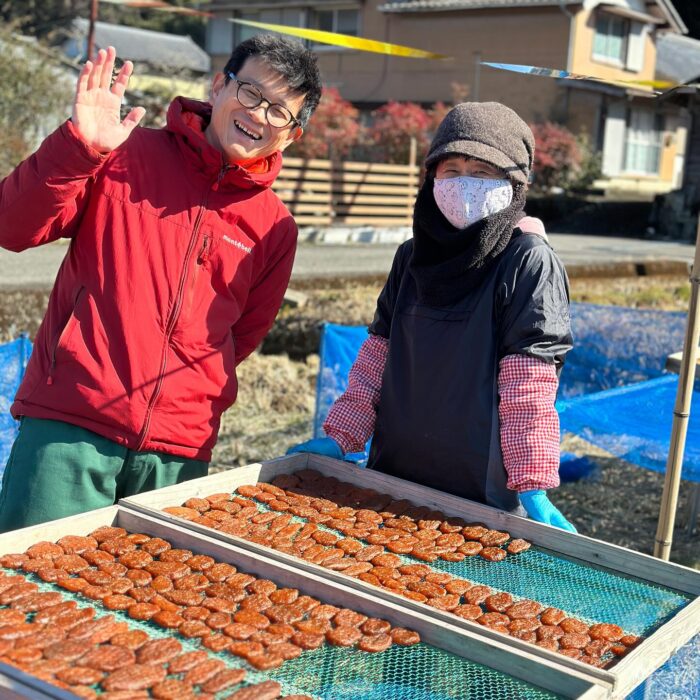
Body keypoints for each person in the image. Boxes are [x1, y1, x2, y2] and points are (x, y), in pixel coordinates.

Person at [0, 35, 322, 531]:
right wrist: (77, 146)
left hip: (178, 453)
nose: (259, 115)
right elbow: (13, 226)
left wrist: (188, 394)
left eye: (280, 110)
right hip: (70, 425)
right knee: (28, 595)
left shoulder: (274, 226)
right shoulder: (123, 156)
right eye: (252, 93)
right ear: (218, 87)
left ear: (291, 135)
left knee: (150, 604)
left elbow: (242, 335)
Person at [290, 102, 576, 532]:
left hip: (480, 489)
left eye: (482, 173)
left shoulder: (527, 261)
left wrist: (532, 482)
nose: (465, 185)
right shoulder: (411, 257)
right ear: (432, 177)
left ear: (515, 183)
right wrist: (342, 435)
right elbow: (375, 361)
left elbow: (529, 385)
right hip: (392, 474)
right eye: (452, 170)